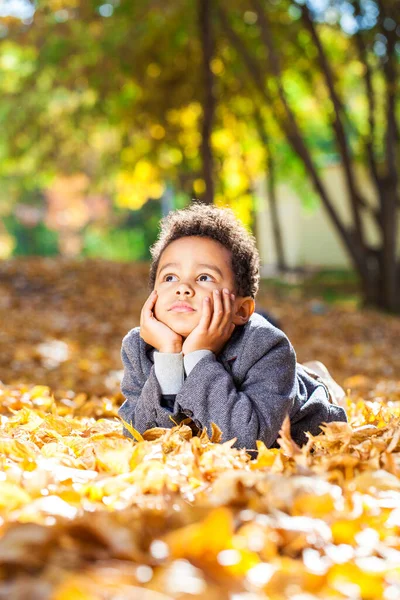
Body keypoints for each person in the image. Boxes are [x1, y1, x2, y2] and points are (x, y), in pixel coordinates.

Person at [119, 203, 347, 450]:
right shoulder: (138, 348)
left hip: (301, 406)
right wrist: (169, 357)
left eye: (204, 278)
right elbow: (141, 438)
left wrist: (198, 358)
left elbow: (246, 443)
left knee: (323, 392)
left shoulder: (267, 346)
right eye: (170, 277)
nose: (182, 288)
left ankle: (318, 378)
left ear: (241, 310)